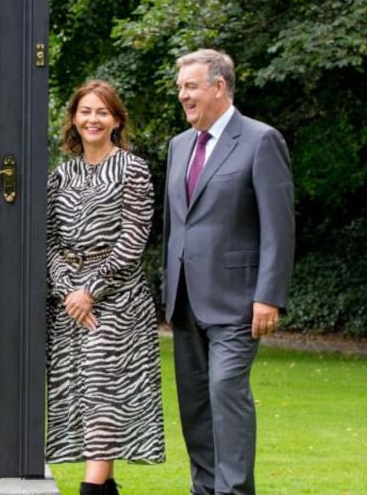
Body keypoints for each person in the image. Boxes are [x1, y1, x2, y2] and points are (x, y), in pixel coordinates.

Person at [163, 49, 294, 495]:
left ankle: (233, 491)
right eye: (181, 87)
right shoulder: (179, 145)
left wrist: (269, 295)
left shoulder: (261, 140)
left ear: (219, 87)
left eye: (191, 86)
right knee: (196, 406)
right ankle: (205, 489)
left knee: (225, 394)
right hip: (185, 301)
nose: (183, 95)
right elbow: (174, 225)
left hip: (238, 302)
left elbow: (278, 227)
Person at [45, 80, 165, 495]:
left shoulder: (133, 169)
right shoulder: (60, 174)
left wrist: (90, 290)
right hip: (68, 302)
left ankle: (91, 489)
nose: (92, 119)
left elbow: (134, 238)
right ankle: (105, 486)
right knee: (81, 393)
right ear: (73, 119)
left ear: (116, 120)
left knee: (103, 392)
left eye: (101, 112)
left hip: (117, 300)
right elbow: (48, 241)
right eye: (85, 112)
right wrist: (66, 289)